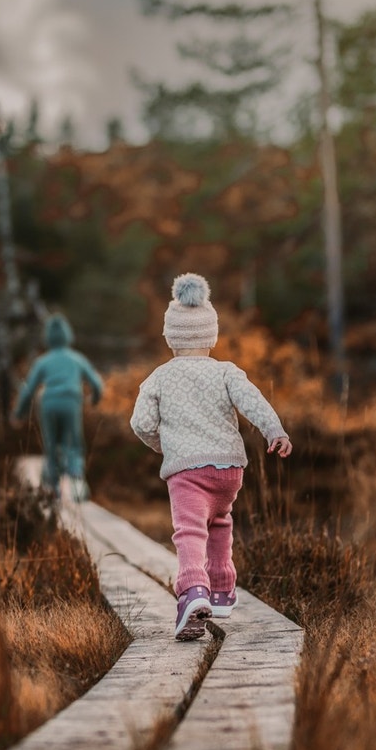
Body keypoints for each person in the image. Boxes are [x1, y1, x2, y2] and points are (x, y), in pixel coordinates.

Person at [130, 273, 293, 641]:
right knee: (219, 522)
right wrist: (276, 432)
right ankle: (221, 590)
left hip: (187, 472)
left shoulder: (159, 377)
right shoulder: (226, 372)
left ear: (169, 336)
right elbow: (254, 401)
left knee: (189, 530)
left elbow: (140, 423)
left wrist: (164, 446)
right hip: (228, 471)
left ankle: (193, 591)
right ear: (212, 335)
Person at [13, 314, 104, 501]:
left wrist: (19, 414)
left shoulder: (43, 361)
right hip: (71, 402)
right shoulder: (77, 359)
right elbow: (96, 383)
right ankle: (77, 484)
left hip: (48, 404)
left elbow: (28, 390)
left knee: (51, 445)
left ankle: (51, 488)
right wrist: (94, 399)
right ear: (67, 335)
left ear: (48, 337)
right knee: (74, 444)